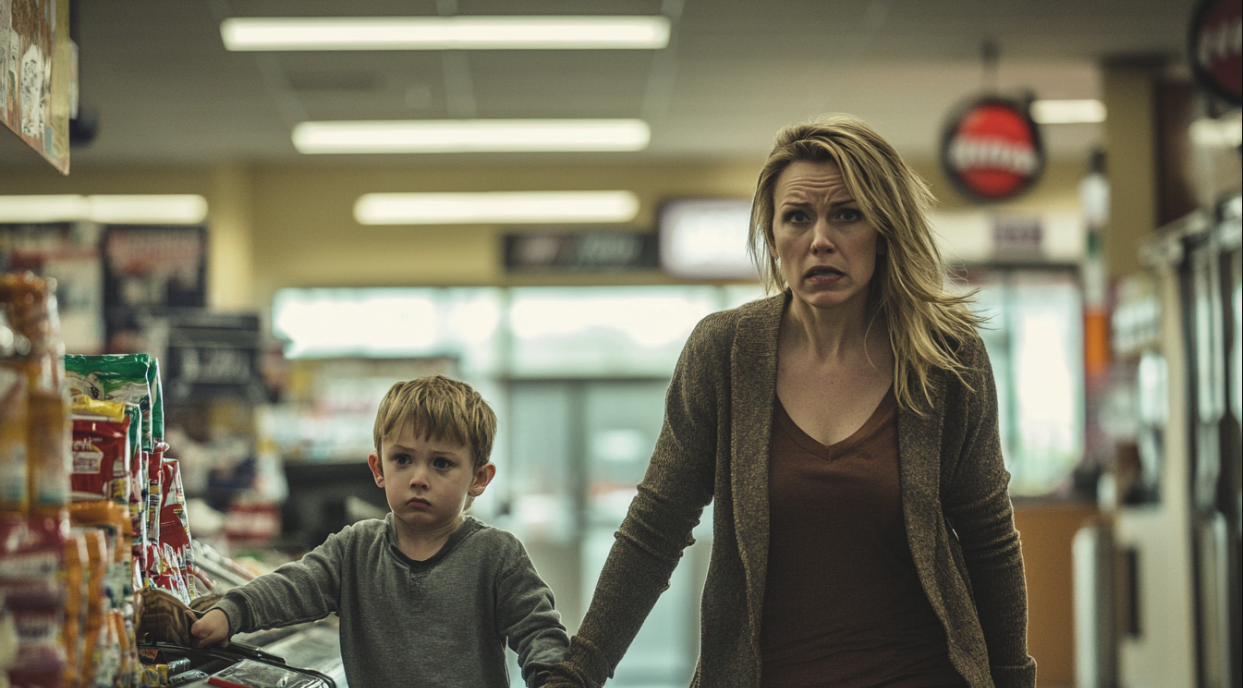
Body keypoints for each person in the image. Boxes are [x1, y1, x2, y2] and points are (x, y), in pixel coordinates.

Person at [547, 115, 1036, 688]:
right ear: (773, 233)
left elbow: (988, 537)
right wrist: (580, 671)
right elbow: (655, 527)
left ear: (883, 229)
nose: (820, 240)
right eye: (797, 218)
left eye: (846, 215)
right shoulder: (724, 352)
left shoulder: (947, 357)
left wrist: (1012, 679)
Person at [191, 375, 569, 688]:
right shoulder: (353, 549)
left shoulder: (497, 554)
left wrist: (554, 679)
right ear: (378, 468)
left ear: (479, 478)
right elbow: (292, 586)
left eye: (441, 464)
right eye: (402, 459)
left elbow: (540, 633)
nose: (419, 478)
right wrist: (230, 613)